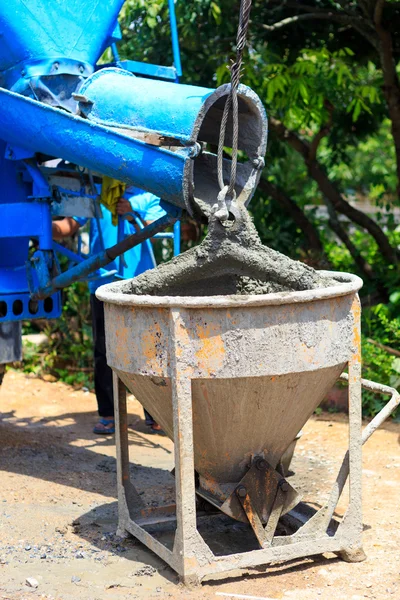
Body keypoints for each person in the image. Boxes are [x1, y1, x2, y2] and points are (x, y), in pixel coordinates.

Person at [52, 185, 165, 435]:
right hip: (103, 284)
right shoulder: (96, 191)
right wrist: (44, 228)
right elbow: (70, 224)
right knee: (103, 352)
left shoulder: (149, 193)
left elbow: (157, 230)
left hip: (140, 284)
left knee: (148, 350)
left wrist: (132, 213)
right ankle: (108, 414)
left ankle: (156, 413)